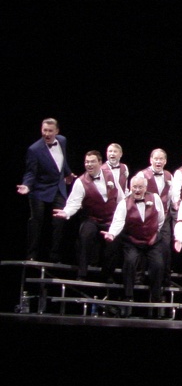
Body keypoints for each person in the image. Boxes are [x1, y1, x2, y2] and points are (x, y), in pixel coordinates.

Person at [53, 150, 122, 282]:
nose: (89, 164)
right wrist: (66, 212)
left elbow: (120, 197)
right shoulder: (80, 182)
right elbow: (74, 203)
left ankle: (107, 274)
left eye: (92, 162)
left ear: (100, 163)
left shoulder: (111, 175)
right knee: (85, 235)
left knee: (114, 242)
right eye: (86, 162)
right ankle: (82, 274)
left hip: (110, 219)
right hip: (92, 218)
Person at [104, 174, 166, 318]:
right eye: (134, 187)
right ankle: (128, 295)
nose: (137, 190)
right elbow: (118, 221)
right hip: (132, 240)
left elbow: (161, 218)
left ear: (146, 187)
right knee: (130, 261)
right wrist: (112, 234)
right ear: (130, 187)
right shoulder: (124, 203)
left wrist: (152, 232)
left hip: (152, 241)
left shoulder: (155, 198)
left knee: (158, 264)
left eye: (140, 187)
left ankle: (156, 297)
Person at [17, 117, 76, 263]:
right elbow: (30, 172)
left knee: (59, 221)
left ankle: (55, 256)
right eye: (44, 130)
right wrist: (27, 185)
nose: (47, 134)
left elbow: (61, 160)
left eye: (50, 131)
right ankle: (32, 255)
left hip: (58, 187)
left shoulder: (62, 140)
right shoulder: (34, 149)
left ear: (57, 131)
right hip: (39, 188)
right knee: (36, 221)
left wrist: (68, 173)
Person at [139, 148, 174, 285]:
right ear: (151, 160)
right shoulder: (142, 174)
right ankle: (140, 276)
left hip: (164, 217)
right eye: (156, 159)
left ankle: (165, 278)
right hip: (147, 218)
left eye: (161, 159)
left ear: (165, 161)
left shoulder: (169, 176)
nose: (158, 161)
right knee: (144, 246)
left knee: (165, 246)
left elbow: (170, 196)